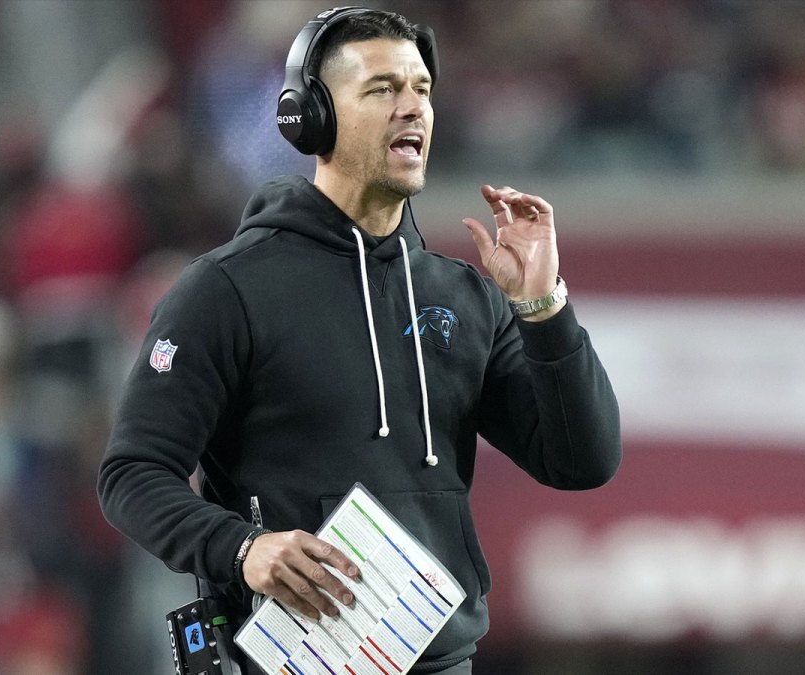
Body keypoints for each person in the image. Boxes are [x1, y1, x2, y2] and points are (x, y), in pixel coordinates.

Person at [96, 8, 621, 675]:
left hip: (443, 664)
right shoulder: (224, 290)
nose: (413, 109)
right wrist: (242, 548)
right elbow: (130, 475)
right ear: (310, 118)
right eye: (382, 89)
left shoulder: (462, 294)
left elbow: (582, 460)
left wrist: (543, 308)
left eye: (422, 90)